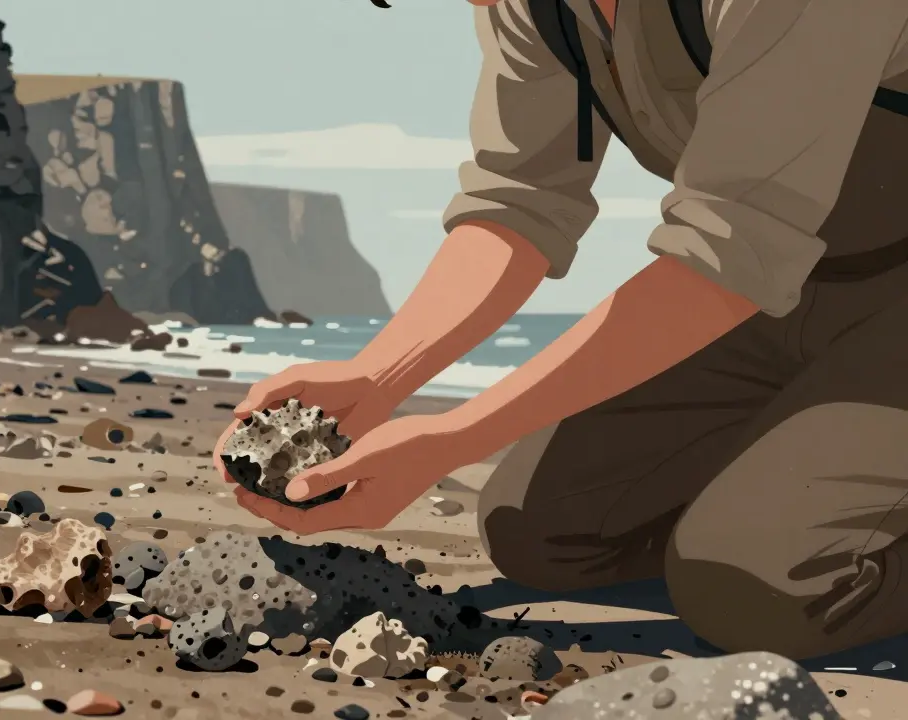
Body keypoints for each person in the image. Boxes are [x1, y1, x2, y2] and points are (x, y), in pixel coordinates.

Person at [214, 0, 908, 660]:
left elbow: (729, 253)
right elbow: (519, 202)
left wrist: (454, 437)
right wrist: (379, 376)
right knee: (540, 532)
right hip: (785, 294)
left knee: (760, 589)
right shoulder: (538, 10)